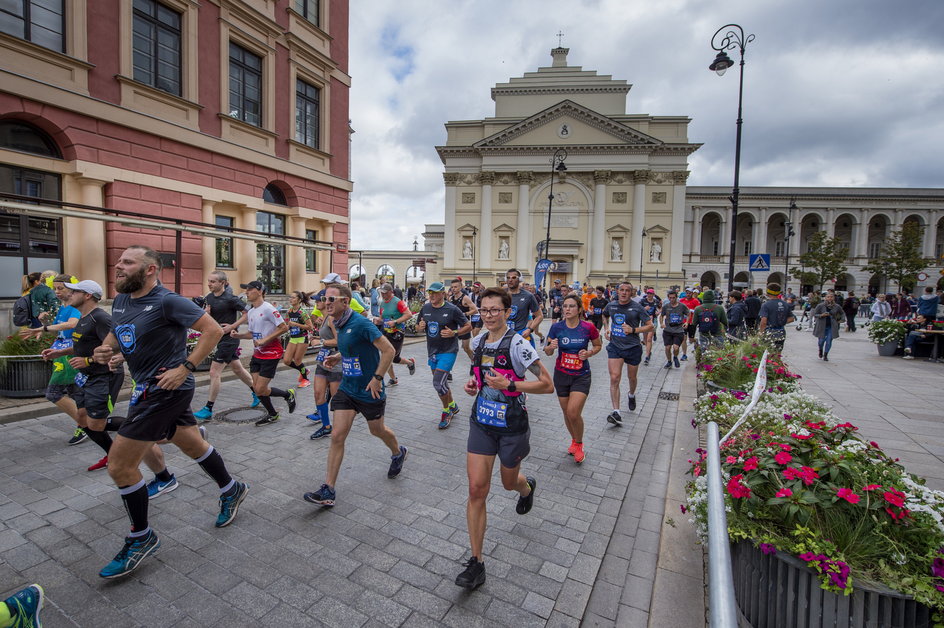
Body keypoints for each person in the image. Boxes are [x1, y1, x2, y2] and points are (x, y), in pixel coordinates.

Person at [91, 245, 248, 579]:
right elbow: (119, 333)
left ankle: (141, 537)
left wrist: (187, 367)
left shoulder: (168, 300)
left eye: (127, 262)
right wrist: (108, 350)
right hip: (147, 387)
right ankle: (231, 488)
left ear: (149, 270)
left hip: (165, 388)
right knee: (191, 444)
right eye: (119, 261)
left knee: (120, 465)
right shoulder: (121, 299)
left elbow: (213, 331)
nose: (118, 266)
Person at [456, 287, 553, 590]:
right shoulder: (477, 340)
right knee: (476, 490)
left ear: (507, 313)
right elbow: (478, 374)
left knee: (508, 482)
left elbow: (547, 385)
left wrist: (512, 382)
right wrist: (473, 384)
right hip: (482, 422)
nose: (488, 316)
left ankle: (526, 488)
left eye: (495, 310)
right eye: (484, 310)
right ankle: (476, 562)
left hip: (512, 426)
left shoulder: (519, 345)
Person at [303, 284, 408, 507]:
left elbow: (388, 350)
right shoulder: (338, 323)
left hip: (370, 389)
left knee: (377, 430)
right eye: (325, 298)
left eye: (332, 299)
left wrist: (378, 378)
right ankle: (328, 489)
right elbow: (354, 348)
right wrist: (339, 357)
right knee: (337, 435)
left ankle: (398, 452)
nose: (327, 302)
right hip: (348, 388)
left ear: (345, 302)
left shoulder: (360, 323)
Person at [40, 280, 129, 472]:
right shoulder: (83, 317)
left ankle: (142, 428)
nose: (69, 294)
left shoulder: (101, 318)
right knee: (82, 419)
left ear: (87, 295)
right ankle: (112, 455)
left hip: (104, 376)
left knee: (96, 423)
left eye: (74, 291)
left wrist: (88, 361)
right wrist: (60, 353)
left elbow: (117, 350)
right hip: (85, 376)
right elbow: (85, 345)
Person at [25, 274, 84, 444]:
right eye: (55, 288)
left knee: (54, 392)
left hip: (71, 353)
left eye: (61, 288)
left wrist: (44, 328)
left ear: (71, 289)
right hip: (62, 353)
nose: (57, 292)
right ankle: (89, 421)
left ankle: (85, 424)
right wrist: (44, 326)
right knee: (76, 392)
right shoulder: (62, 307)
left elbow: (72, 324)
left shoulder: (75, 306)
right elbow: (61, 330)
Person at [193, 271, 259, 420]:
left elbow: (247, 313)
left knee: (213, 372)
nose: (209, 284)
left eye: (213, 282)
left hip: (230, 339)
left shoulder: (230, 298)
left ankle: (208, 408)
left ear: (222, 283)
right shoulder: (209, 298)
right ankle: (258, 393)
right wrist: (207, 314)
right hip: (219, 339)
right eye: (209, 281)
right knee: (238, 369)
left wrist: (232, 326)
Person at [230, 281, 296, 426]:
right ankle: (272, 414)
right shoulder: (252, 311)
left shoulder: (268, 309)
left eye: (249, 289)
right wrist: (238, 336)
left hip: (271, 353)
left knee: (260, 389)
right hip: (258, 353)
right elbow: (252, 334)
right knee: (258, 389)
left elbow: (283, 327)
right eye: (246, 290)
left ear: (259, 291)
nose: (246, 292)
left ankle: (287, 394)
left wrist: (265, 340)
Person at [545, 293, 601, 463]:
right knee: (566, 412)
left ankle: (579, 443)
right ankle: (574, 441)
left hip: (581, 376)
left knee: (573, 412)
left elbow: (598, 345)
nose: (567, 309)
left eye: (571, 306)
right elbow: (547, 351)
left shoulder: (588, 328)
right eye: (565, 306)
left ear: (579, 309)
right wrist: (551, 347)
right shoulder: (556, 328)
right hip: (561, 374)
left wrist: (589, 353)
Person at [417, 282, 471, 429]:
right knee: (442, 383)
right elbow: (418, 327)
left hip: (449, 351)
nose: (432, 295)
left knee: (437, 383)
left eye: (435, 293)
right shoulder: (426, 308)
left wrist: (454, 332)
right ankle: (452, 405)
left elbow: (468, 326)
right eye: (430, 293)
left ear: (443, 294)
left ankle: (446, 412)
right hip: (432, 351)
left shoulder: (452, 309)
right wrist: (420, 328)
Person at [602, 282, 653, 425]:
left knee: (632, 377)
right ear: (617, 291)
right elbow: (604, 316)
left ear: (631, 293)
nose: (624, 293)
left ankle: (631, 394)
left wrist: (634, 330)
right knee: (614, 378)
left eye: (627, 291)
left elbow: (650, 326)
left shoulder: (637, 308)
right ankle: (616, 412)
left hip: (633, 347)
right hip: (615, 346)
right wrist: (606, 328)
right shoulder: (611, 305)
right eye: (621, 290)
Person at [307, 294, 338, 439]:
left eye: (318, 300)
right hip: (322, 360)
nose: (316, 303)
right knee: (318, 394)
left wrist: (321, 343)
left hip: (335, 362)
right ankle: (326, 426)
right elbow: (327, 339)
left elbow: (340, 341)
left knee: (337, 400)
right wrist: (317, 338)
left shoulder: (331, 319)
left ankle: (339, 429)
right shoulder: (324, 318)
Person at [373, 283, 416, 385]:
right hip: (387, 332)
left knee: (391, 357)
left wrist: (395, 322)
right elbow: (382, 317)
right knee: (387, 356)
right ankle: (394, 379)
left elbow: (409, 314)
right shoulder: (383, 303)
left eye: (385, 293)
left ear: (390, 292)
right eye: (381, 293)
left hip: (398, 332)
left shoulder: (398, 302)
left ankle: (410, 363)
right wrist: (378, 320)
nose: (383, 295)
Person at [505, 268, 543, 347]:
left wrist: (530, 329)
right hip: (504, 334)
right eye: (508, 278)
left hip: (521, 334)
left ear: (520, 279)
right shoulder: (501, 295)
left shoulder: (528, 296)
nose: (510, 280)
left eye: (514, 277)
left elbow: (539, 316)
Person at [283, 290, 313, 388]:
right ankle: (304, 370)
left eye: (293, 297)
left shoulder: (302, 312)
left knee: (297, 360)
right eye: (290, 297)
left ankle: (305, 380)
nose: (291, 299)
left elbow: (310, 327)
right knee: (286, 360)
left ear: (299, 300)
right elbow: (287, 324)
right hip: (293, 338)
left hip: (302, 338)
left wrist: (296, 324)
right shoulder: (289, 311)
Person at [448, 278, 478, 361]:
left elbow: (475, 310)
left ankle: (474, 361)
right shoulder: (450, 298)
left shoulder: (465, 298)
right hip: (454, 326)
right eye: (452, 287)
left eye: (456, 287)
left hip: (464, 326)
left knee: (466, 348)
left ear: (461, 287)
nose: (453, 289)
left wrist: (464, 314)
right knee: (450, 347)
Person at [758, 283, 795, 351]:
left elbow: (764, 321)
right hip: (781, 332)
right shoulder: (785, 304)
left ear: (767, 292)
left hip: (769, 332)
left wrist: (760, 333)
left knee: (767, 354)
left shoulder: (766, 305)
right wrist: (781, 322)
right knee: (777, 354)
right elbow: (792, 319)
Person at [659, 290, 689, 368]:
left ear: (676, 297)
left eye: (673, 298)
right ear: (668, 298)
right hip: (668, 330)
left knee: (676, 347)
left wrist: (687, 322)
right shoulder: (666, 306)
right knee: (667, 347)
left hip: (678, 330)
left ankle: (675, 357)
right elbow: (661, 315)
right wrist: (662, 323)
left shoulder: (682, 306)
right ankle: (669, 361)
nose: (672, 299)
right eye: (670, 298)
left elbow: (688, 314)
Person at [811, 291, 844, 361]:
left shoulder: (837, 306)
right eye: (828, 297)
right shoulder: (820, 305)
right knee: (821, 341)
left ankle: (825, 355)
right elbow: (815, 314)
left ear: (834, 298)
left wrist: (842, 320)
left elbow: (842, 313)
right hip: (822, 326)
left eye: (831, 297)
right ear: (825, 298)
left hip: (831, 326)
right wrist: (821, 315)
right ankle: (820, 350)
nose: (830, 298)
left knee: (829, 341)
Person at [640, 289, 661, 365]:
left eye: (651, 294)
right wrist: (644, 309)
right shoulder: (643, 301)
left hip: (653, 320)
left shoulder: (656, 301)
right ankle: (649, 351)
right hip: (644, 320)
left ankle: (647, 356)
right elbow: (638, 309)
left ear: (653, 294)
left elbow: (660, 307)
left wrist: (658, 312)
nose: (649, 295)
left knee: (649, 339)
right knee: (645, 339)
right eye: (648, 293)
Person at [679, 290, 701, 361]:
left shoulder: (695, 301)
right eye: (687, 293)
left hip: (692, 322)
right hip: (684, 322)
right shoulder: (682, 300)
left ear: (692, 293)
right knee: (684, 338)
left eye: (689, 293)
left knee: (691, 339)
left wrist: (691, 310)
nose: (688, 294)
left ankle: (696, 340)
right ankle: (684, 355)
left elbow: (699, 310)